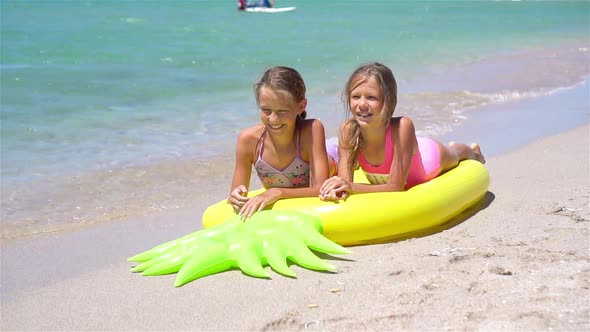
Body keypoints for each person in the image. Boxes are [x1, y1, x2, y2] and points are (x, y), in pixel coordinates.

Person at [319, 62, 485, 202]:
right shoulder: (348, 130)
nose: (361, 104)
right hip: (406, 150)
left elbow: (396, 186)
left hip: (429, 159)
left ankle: (475, 152)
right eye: (356, 97)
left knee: (456, 153)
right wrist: (337, 188)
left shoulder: (402, 126)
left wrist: (352, 187)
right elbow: (345, 182)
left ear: (388, 100)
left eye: (371, 97)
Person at [229, 66, 335, 219]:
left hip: (332, 155)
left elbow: (319, 189)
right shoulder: (248, 141)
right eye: (266, 110)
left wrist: (277, 192)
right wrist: (236, 197)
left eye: (282, 111)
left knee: (337, 148)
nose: (273, 119)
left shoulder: (312, 130)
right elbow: (236, 194)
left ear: (301, 106)